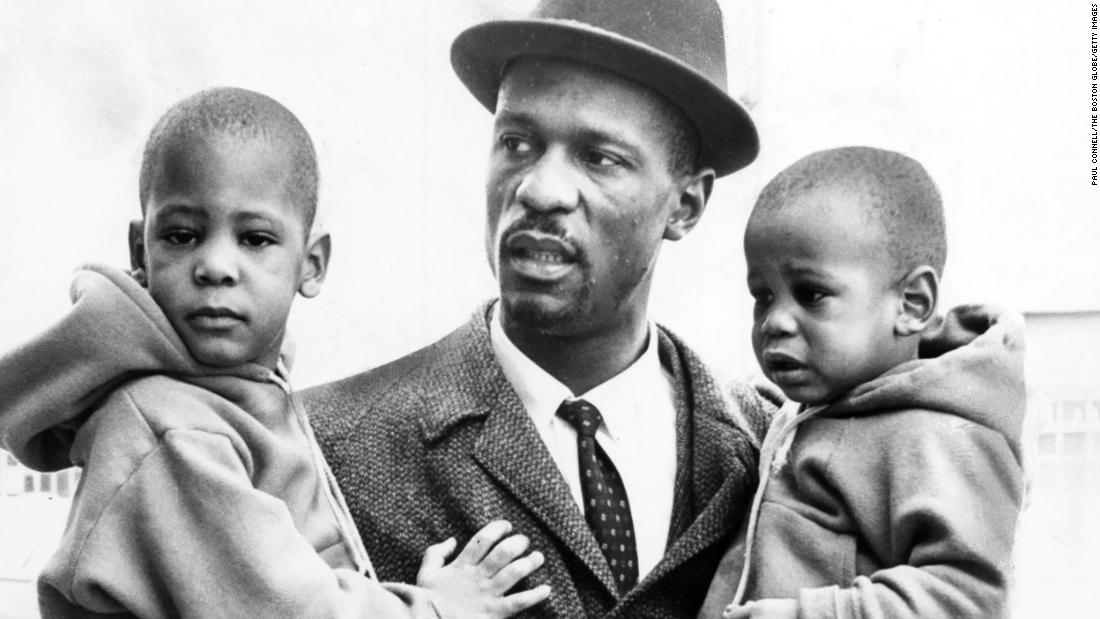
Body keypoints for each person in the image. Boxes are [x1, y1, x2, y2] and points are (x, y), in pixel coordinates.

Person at [304, 1, 1006, 616]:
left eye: (599, 157)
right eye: (517, 143)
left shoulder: (774, 445)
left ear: (687, 204)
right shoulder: (320, 446)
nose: (541, 190)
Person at [0, 87, 549, 618]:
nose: (215, 265)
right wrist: (431, 609)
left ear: (311, 264)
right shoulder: (171, 428)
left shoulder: (235, 394)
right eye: (182, 235)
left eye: (255, 239)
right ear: (139, 250)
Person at [704, 147, 1025, 618]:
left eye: (811, 294)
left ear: (912, 304)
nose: (775, 321)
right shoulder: (811, 414)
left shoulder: (938, 433)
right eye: (762, 296)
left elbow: (966, 599)